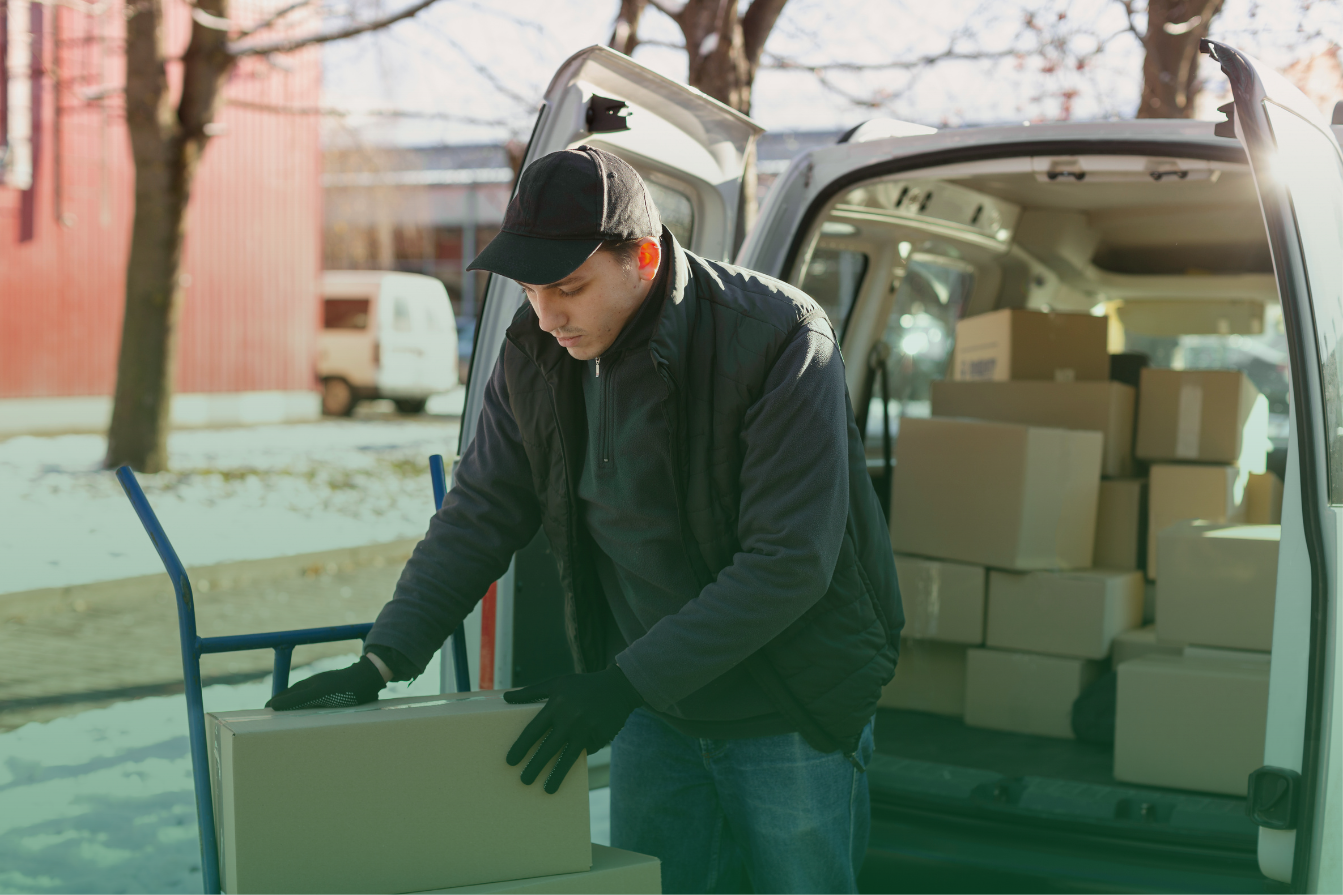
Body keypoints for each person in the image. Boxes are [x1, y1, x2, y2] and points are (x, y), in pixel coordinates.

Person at [267, 145, 903, 894]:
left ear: (640, 255)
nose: (547, 313)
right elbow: (479, 513)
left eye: (569, 286)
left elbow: (788, 561)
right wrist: (385, 657)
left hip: (790, 700)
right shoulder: (534, 352)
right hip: (652, 707)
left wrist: (620, 685)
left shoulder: (777, 338)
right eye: (531, 289)